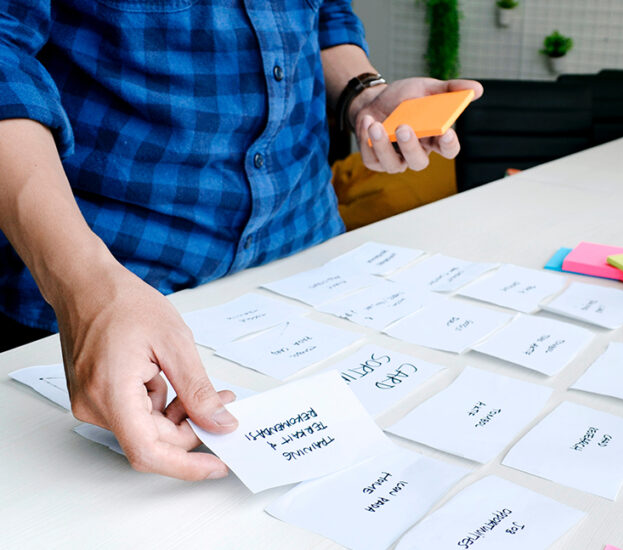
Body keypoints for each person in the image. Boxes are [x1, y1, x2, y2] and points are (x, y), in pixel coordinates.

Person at [0, 0, 481, 481]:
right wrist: (85, 286)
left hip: (307, 259)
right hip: (113, 293)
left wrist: (364, 94)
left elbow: (326, 12)